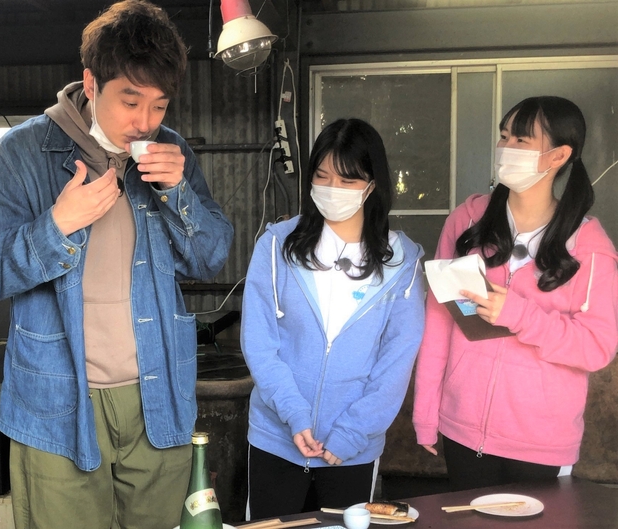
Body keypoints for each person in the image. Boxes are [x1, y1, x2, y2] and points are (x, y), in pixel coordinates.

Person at [0, 1, 233, 528]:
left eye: (159, 106)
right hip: (57, 401)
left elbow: (210, 257)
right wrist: (57, 224)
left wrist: (178, 191)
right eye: (130, 101)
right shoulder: (22, 152)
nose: (145, 122)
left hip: (157, 394)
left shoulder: (171, 151)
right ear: (91, 83)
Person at [413, 96, 618, 491]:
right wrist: (426, 413)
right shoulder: (467, 222)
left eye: (521, 140)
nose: (506, 148)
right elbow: (439, 320)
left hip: (540, 442)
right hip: (462, 429)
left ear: (559, 155)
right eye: (504, 136)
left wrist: (520, 314)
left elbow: (596, 347)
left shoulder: (589, 246)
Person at [241, 118, 425, 518]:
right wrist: (294, 415)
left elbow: (396, 361)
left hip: (352, 450)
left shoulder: (401, 262)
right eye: (322, 177)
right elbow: (259, 343)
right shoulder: (277, 247)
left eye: (347, 180)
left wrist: (352, 433)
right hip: (277, 439)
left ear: (372, 185)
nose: (332, 189)